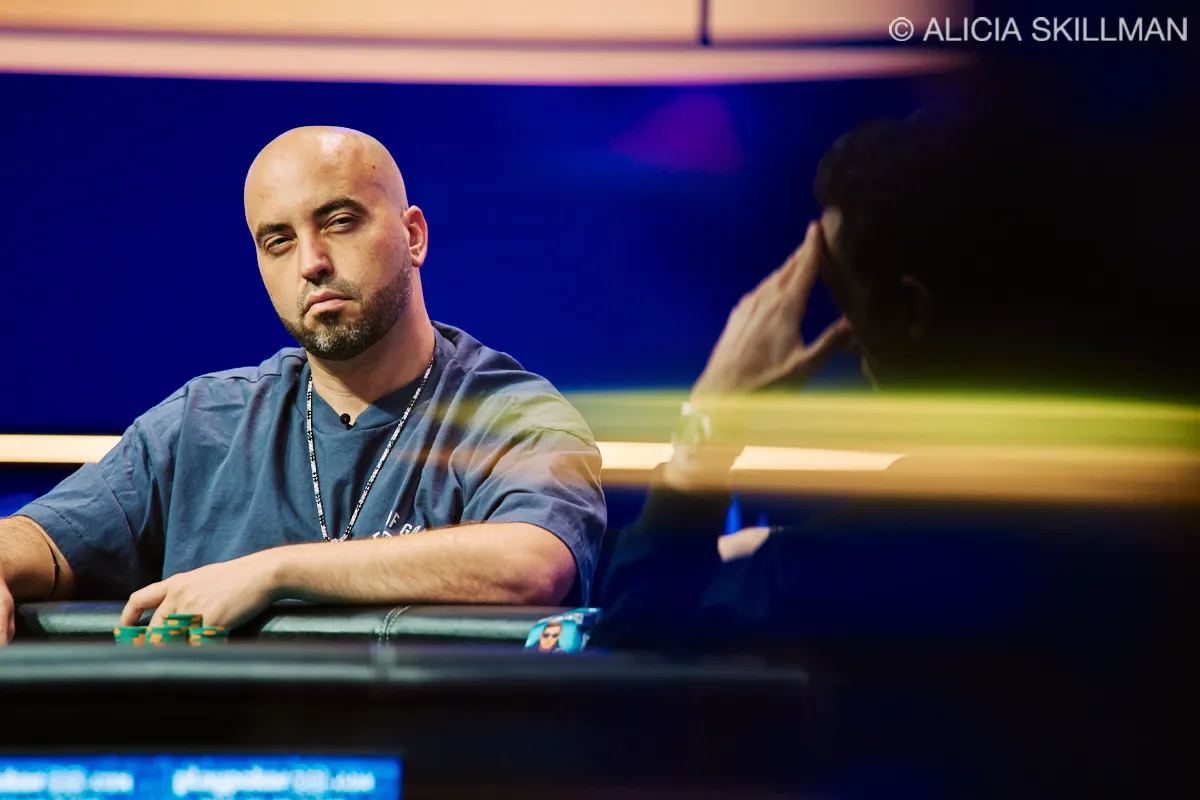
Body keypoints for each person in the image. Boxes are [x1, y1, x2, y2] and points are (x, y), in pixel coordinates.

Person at [589, 111, 1193, 658]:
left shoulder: (896, 539)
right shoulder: (1140, 490)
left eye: (842, 299)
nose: (845, 335)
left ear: (909, 311)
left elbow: (640, 638)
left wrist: (710, 422)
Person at [0, 126, 606, 644]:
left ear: (413, 236)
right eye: (279, 241)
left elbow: (531, 565)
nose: (310, 262)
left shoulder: (512, 413)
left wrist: (272, 572)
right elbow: (45, 541)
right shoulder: (203, 422)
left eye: (340, 222)